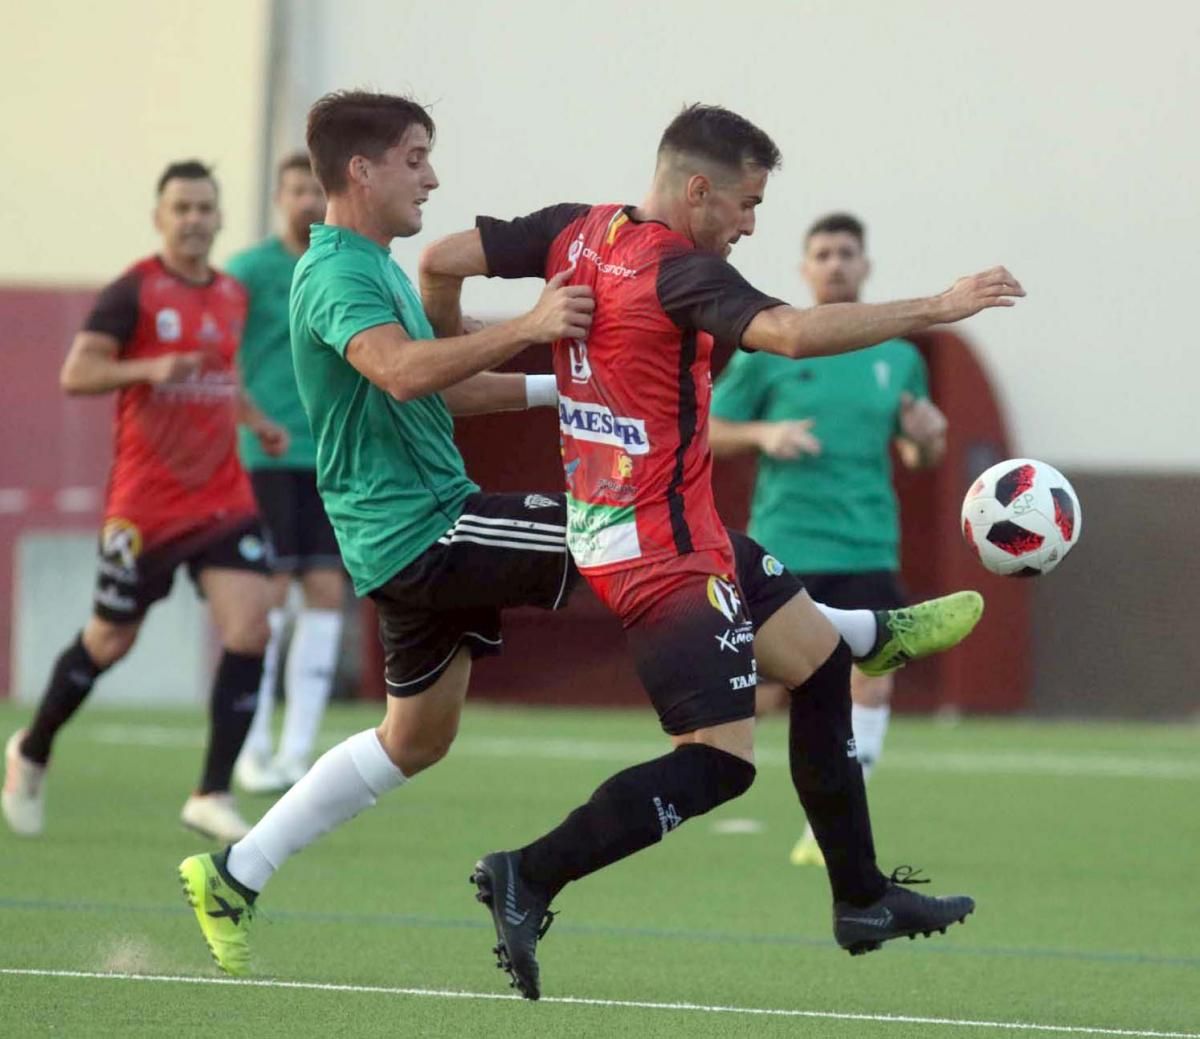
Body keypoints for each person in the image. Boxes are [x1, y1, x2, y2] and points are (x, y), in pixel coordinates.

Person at [177, 91, 980, 981]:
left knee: (415, 739)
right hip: (428, 528)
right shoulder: (334, 274)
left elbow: (440, 372)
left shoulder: (382, 265)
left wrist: (569, 384)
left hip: (414, 533)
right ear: (361, 170)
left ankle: (234, 871)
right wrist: (529, 330)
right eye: (415, 158)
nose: (433, 176)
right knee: (639, 528)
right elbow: (405, 374)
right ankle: (869, 631)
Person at [420, 102, 1021, 999]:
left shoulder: (572, 233)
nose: (749, 224)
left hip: (668, 525)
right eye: (745, 204)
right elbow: (787, 331)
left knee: (815, 666)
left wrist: (460, 343)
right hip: (660, 555)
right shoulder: (678, 270)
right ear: (695, 189)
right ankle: (529, 872)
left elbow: (438, 260)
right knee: (721, 760)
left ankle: (861, 894)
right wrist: (936, 307)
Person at [2, 161, 288, 843]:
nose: (193, 219)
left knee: (252, 627)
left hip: (222, 495)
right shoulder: (131, 292)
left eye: (204, 207)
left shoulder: (230, 294)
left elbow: (224, 376)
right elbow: (78, 372)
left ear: (220, 219)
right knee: (110, 640)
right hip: (147, 505)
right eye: (181, 207)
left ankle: (211, 790)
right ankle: (32, 748)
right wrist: (148, 368)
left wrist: (255, 419)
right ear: (159, 217)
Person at [709, 211, 949, 867]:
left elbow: (918, 451)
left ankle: (834, 823)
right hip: (787, 542)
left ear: (865, 264)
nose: (836, 262)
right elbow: (705, 428)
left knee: (871, 680)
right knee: (767, 691)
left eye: (847, 252)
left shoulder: (897, 356)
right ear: (805, 268)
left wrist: (928, 437)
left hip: (867, 542)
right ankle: (689, 789)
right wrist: (764, 435)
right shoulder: (776, 347)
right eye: (823, 253)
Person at [226, 152, 345, 794]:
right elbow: (225, 358)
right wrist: (250, 420)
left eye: (316, 190)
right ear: (279, 196)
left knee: (325, 592)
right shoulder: (247, 273)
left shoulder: (340, 266)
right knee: (267, 597)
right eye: (297, 189)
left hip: (329, 453)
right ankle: (254, 745)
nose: (307, 200)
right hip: (267, 455)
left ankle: (299, 752)